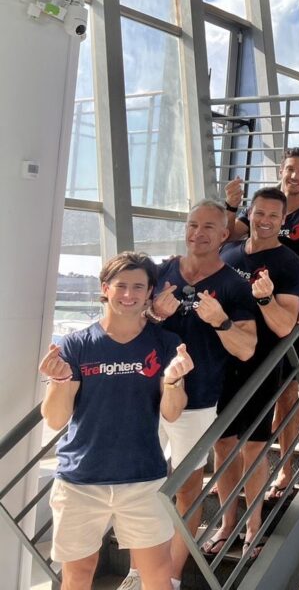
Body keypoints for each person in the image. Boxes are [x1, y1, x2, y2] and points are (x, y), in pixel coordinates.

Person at [42, 252, 193, 590]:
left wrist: (172, 382)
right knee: (77, 575)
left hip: (142, 478)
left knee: (157, 574)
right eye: (121, 285)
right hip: (80, 480)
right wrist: (59, 381)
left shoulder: (165, 343)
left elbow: (172, 412)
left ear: (150, 292)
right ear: (105, 288)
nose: (128, 294)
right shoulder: (76, 345)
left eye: (138, 287)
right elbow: (55, 419)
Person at [135, 200, 258, 588]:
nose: (198, 233)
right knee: (139, 485)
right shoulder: (160, 272)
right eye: (192, 225)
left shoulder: (234, 285)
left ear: (224, 235)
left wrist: (220, 321)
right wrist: (153, 314)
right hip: (147, 395)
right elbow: (124, 326)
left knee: (187, 488)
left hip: (198, 400)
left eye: (208, 227)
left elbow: (247, 348)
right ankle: (140, 570)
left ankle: (169, 578)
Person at [222, 150, 299, 497]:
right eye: (289, 170)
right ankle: (234, 478)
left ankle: (285, 468)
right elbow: (230, 237)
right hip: (246, 319)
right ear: (281, 172)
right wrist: (230, 206)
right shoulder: (262, 207)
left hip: (289, 310)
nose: (295, 176)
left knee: (285, 394)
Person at [206, 187, 299, 557]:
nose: (264, 221)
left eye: (273, 216)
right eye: (259, 213)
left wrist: (265, 299)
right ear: (250, 213)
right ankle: (227, 523)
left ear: (283, 221)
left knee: (254, 447)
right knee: (223, 444)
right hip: (222, 362)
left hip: (262, 365)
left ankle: (253, 526)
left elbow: (285, 326)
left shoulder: (290, 263)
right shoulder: (228, 252)